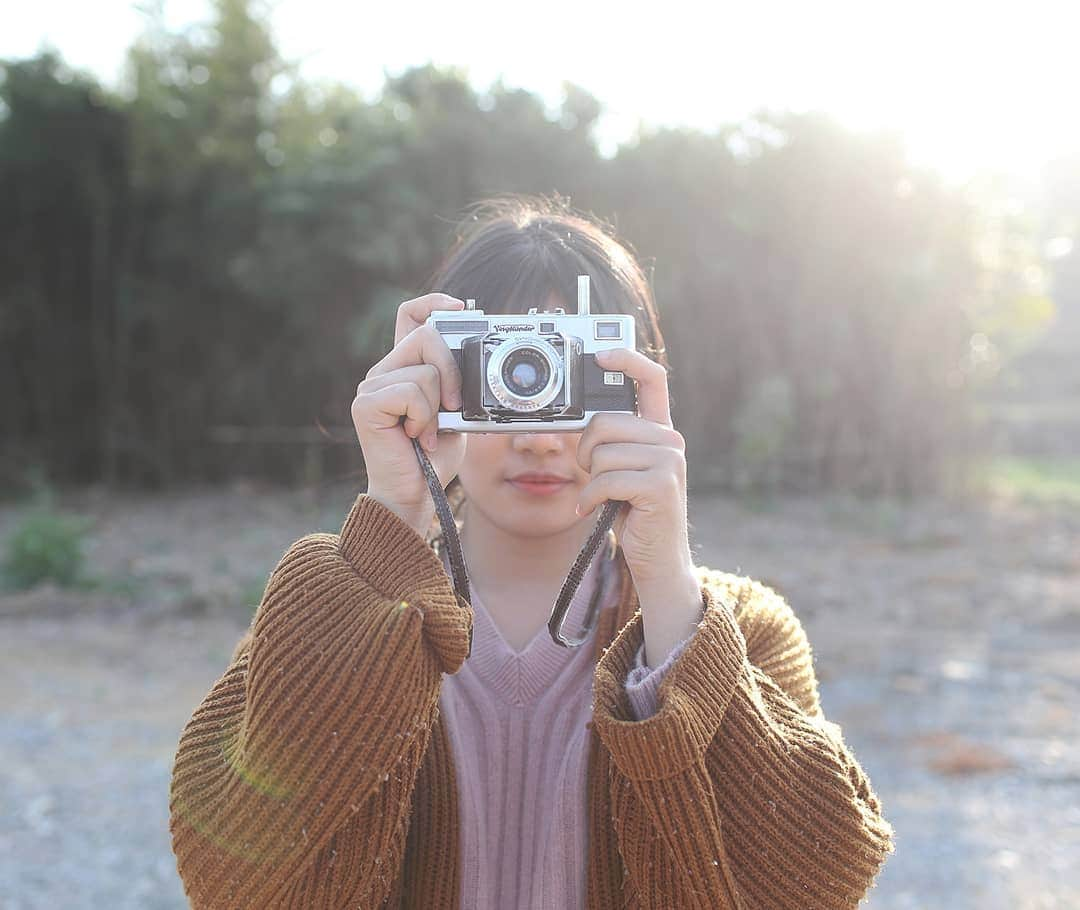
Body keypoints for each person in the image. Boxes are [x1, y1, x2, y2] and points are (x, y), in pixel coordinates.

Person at [169, 194, 895, 909]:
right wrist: (394, 511)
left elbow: (814, 888)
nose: (539, 435)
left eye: (568, 380)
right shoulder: (338, 617)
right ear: (435, 370)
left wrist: (671, 599)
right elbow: (236, 885)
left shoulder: (744, 630)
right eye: (506, 376)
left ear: (638, 390)